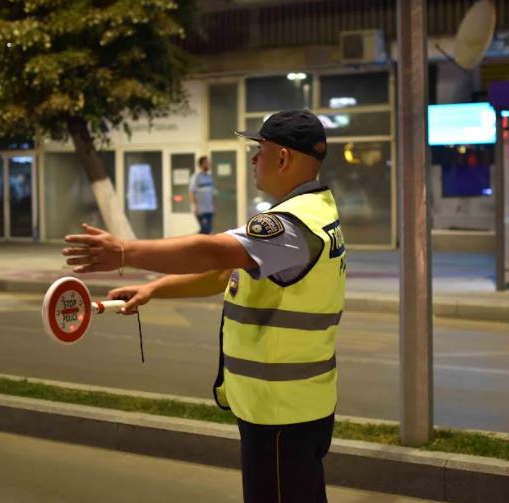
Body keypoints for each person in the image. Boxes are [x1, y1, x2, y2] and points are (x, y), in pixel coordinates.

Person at [63, 109, 346, 503]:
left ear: (282, 157)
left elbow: (210, 253)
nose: (252, 159)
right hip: (299, 406)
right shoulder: (317, 213)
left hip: (280, 412)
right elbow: (225, 273)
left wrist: (125, 251)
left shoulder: (290, 227)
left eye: (258, 149)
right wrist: (155, 290)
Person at [189, 155, 214, 234]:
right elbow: (191, 192)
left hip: (210, 209)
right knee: (205, 229)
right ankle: (192, 242)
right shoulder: (196, 177)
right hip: (200, 210)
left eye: (209, 162)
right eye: (207, 162)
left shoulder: (209, 177)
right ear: (201, 164)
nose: (209, 164)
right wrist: (195, 207)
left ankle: (200, 245)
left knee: (207, 231)